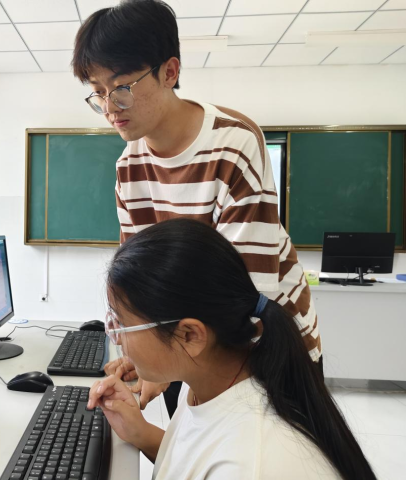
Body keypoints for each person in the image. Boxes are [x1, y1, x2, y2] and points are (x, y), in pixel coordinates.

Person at [72, 0, 320, 416]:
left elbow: (248, 288)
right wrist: (135, 349)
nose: (110, 107)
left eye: (122, 87)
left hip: (265, 343)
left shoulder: (233, 143)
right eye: (98, 92)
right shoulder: (129, 167)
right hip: (188, 346)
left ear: (170, 72)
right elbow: (137, 277)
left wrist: (161, 361)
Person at [88, 218, 374, 479]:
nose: (116, 338)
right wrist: (139, 433)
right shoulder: (207, 377)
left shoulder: (252, 464)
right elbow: (193, 462)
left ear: (190, 335)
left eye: (121, 324)